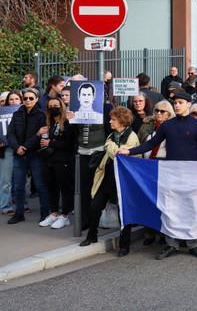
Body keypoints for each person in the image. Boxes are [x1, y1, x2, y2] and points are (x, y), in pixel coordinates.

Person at [118, 91, 197, 259]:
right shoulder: (168, 126)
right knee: (171, 209)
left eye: (181, 102)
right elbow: (151, 144)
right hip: (171, 173)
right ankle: (171, 244)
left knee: (192, 209)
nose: (177, 105)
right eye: (175, 103)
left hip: (191, 175)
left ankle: (193, 244)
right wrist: (129, 151)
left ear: (189, 104)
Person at [80, 107, 140, 257]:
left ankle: (124, 245)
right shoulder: (112, 135)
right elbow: (115, 152)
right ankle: (91, 236)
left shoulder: (131, 137)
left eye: (113, 119)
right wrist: (113, 147)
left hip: (122, 180)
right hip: (107, 177)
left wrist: (110, 146)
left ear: (121, 121)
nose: (110, 122)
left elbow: (118, 155)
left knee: (122, 213)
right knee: (94, 206)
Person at [7, 88, 48, 225]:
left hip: (35, 154)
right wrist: (17, 147)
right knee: (19, 185)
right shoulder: (17, 113)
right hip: (19, 154)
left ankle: (45, 213)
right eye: (25, 98)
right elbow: (10, 133)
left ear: (36, 99)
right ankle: (19, 213)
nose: (28, 101)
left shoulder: (41, 115)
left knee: (40, 184)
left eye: (31, 98)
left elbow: (40, 134)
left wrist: (25, 147)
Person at [37, 97, 76, 229]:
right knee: (51, 187)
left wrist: (51, 143)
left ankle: (64, 216)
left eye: (56, 105)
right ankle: (53, 213)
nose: (53, 108)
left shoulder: (68, 122)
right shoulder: (48, 122)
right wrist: (40, 135)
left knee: (65, 188)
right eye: (50, 106)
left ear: (62, 106)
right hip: (49, 160)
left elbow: (70, 143)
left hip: (63, 160)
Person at [0, 91, 23, 214]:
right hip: (6, 149)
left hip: (21, 148)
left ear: (21, 101)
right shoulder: (2, 113)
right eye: (11, 100)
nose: (14, 102)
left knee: (21, 180)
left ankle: (22, 205)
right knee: (6, 180)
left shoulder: (25, 113)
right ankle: (5, 206)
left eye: (16, 99)